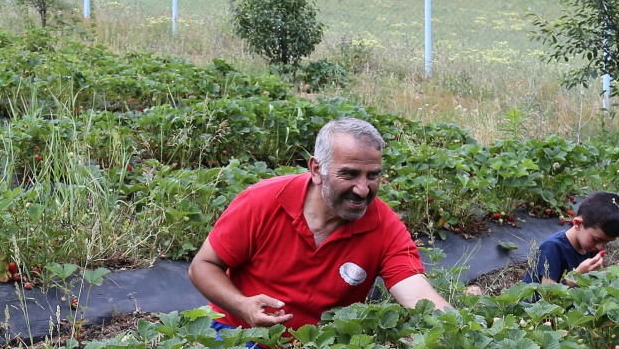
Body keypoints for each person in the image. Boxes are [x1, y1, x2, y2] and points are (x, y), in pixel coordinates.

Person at [188, 117, 451, 330]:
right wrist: (241, 305)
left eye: (373, 176)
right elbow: (203, 265)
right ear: (316, 170)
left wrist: (463, 331)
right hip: (237, 336)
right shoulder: (262, 201)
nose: (362, 189)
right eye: (349, 174)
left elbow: (418, 295)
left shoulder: (383, 225)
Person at [522, 190, 619, 285]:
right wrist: (575, 278)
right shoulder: (553, 248)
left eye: (606, 243)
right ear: (577, 224)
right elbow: (548, 296)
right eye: (596, 239)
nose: (600, 247)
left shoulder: (590, 247)